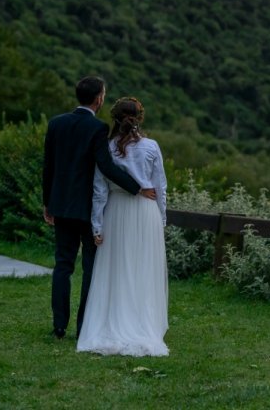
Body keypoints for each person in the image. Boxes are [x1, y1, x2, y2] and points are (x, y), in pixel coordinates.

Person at [43, 76, 156, 340]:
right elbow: (105, 168)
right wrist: (137, 187)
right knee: (90, 269)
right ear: (99, 99)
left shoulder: (56, 123)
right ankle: (84, 327)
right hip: (86, 208)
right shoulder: (97, 128)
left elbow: (48, 167)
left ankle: (59, 326)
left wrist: (47, 202)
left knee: (63, 266)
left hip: (60, 205)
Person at [77, 96, 169, 356]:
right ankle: (142, 321)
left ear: (114, 119)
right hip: (145, 213)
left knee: (118, 267)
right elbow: (160, 187)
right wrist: (161, 219)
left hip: (116, 212)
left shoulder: (107, 148)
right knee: (143, 269)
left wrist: (97, 226)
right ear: (140, 119)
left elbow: (99, 191)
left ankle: (116, 320)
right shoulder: (151, 146)